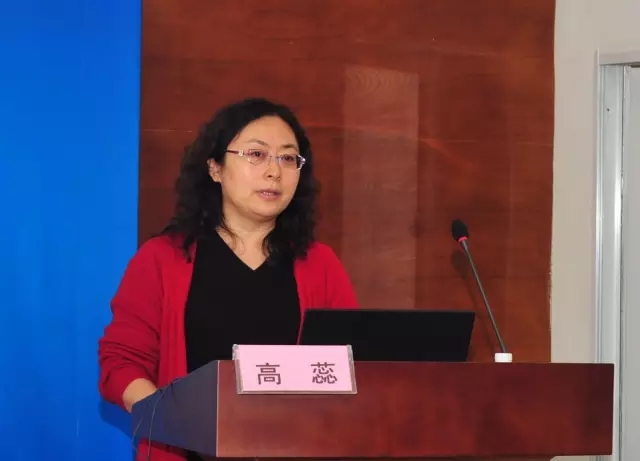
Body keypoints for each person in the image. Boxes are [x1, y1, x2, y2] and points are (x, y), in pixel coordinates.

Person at [97, 97, 359, 461]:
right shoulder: (162, 259)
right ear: (215, 168)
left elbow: (353, 367)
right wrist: (176, 423)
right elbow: (121, 364)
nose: (274, 171)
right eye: (256, 154)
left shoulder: (320, 264)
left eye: (288, 158)